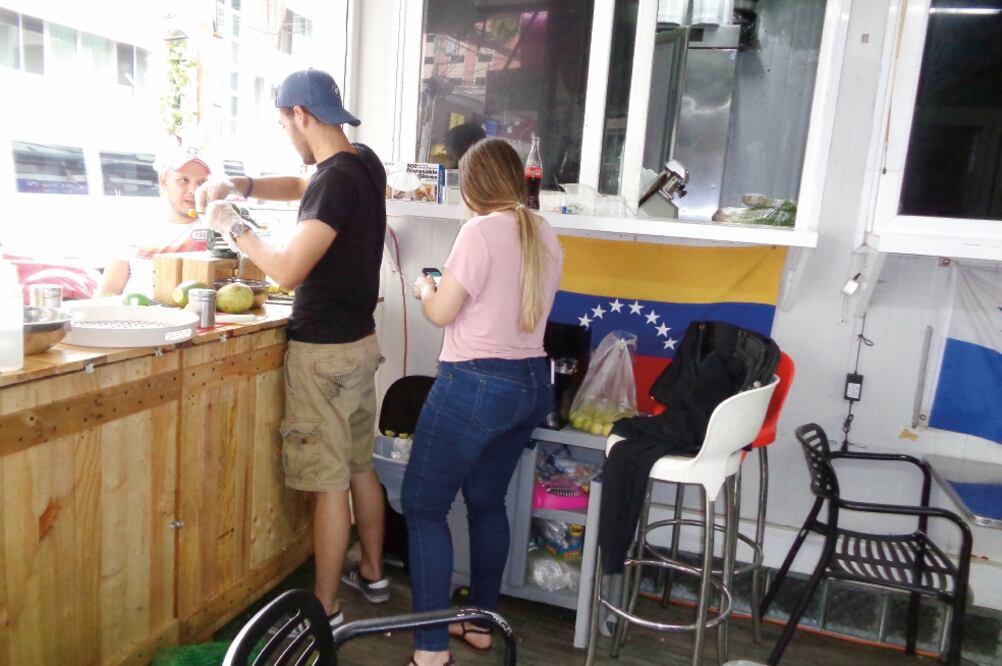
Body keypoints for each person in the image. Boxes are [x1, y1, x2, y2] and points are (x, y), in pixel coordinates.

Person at [197, 69, 389, 632]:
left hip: (322, 354)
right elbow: (305, 185)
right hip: (358, 346)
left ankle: (326, 611)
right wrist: (243, 185)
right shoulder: (362, 164)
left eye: (285, 124)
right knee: (359, 467)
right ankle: (374, 574)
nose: (287, 134)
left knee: (330, 484)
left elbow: (285, 271)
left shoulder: (334, 181)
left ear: (302, 115)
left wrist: (232, 224)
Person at [401, 137, 564, 666]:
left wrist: (426, 289)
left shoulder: (479, 230)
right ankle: (479, 625)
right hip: (532, 384)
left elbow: (444, 312)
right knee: (488, 503)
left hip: (476, 386)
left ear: (472, 186)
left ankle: (428, 653)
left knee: (424, 508)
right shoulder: (543, 233)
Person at [96, 146, 210, 296]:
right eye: (183, 180)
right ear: (164, 182)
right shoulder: (134, 226)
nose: (193, 191)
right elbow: (108, 293)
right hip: (139, 316)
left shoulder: (219, 228)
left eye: (201, 183)